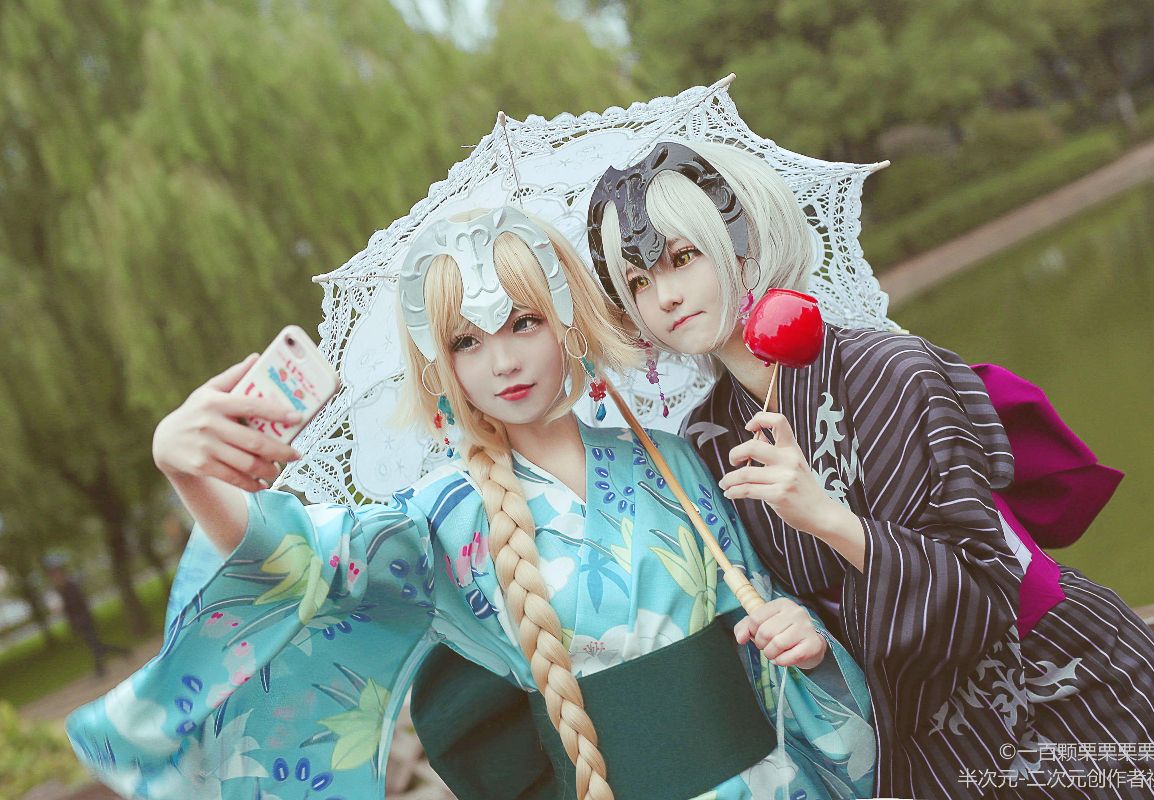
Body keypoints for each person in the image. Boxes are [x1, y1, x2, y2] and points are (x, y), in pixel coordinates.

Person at [65, 206, 875, 800]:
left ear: (568, 322)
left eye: (523, 323)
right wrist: (189, 473)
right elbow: (296, 559)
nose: (504, 362)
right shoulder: (437, 518)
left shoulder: (673, 457)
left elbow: (763, 627)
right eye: (466, 341)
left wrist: (802, 641)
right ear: (439, 364)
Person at [589, 141, 1154, 799]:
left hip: (1063, 691)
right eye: (640, 282)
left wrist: (826, 517)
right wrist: (808, 633)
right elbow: (801, 601)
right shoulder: (706, 440)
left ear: (745, 241)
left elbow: (979, 589)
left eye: (683, 258)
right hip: (932, 742)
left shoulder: (892, 370)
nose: (666, 295)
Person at [43, 554, 131, 677]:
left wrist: (63, 607)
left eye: (56, 574)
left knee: (95, 645)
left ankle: (102, 669)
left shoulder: (71, 585)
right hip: (78, 622)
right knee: (96, 645)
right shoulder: (61, 589)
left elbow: (76, 603)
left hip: (84, 620)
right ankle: (122, 652)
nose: (54, 578)